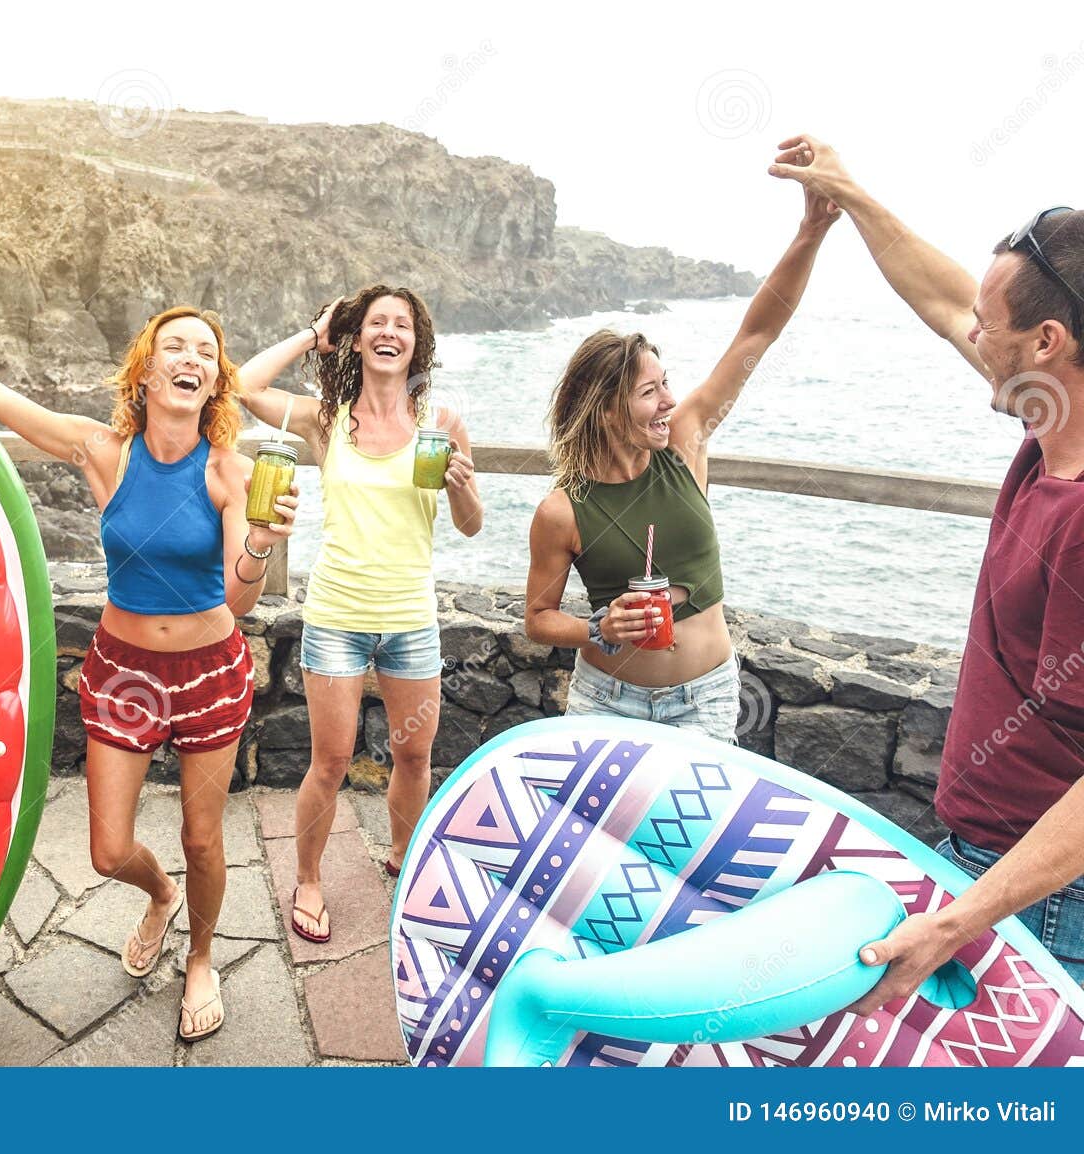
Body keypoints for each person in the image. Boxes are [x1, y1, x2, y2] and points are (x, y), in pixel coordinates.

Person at [0, 308, 297, 1040]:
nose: (191, 357)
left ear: (214, 381)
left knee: (203, 837)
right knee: (107, 848)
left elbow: (239, 598)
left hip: (211, 670)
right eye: (173, 345)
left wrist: (262, 543)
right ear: (145, 371)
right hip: (123, 671)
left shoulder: (231, 471)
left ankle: (204, 957)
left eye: (205, 352)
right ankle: (160, 895)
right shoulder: (105, 452)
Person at [770, 135, 1084, 999]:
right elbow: (946, 300)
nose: (970, 332)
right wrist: (850, 196)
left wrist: (958, 919)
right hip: (993, 870)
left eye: (994, 326)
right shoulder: (1047, 416)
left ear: (1048, 341)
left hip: (1044, 900)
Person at [523, 181, 840, 741]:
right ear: (604, 409)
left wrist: (809, 233)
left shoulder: (684, 443)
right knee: (605, 830)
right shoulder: (561, 511)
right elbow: (539, 620)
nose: (670, 400)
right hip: (608, 701)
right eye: (650, 392)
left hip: (707, 700)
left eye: (666, 384)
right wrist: (600, 626)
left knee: (699, 833)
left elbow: (757, 333)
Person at [237, 285, 483, 943]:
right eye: (376, 322)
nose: (389, 332)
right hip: (338, 613)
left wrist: (462, 490)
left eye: (402, 324)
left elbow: (470, 524)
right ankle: (310, 880)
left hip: (410, 617)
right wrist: (312, 332)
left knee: (414, 754)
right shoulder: (327, 418)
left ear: (416, 342)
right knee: (330, 760)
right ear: (357, 339)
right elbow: (243, 385)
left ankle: (405, 860)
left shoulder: (441, 423)